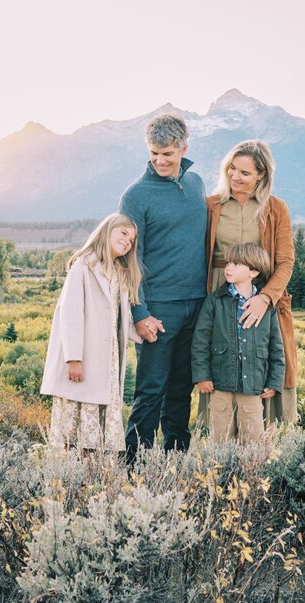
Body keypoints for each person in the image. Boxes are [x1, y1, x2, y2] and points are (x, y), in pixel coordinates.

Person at [121, 113, 207, 458]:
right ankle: (135, 464)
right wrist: (139, 312)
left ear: (183, 148)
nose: (160, 160)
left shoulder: (197, 183)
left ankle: (175, 462)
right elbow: (128, 260)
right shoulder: (136, 196)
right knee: (150, 390)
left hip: (197, 304)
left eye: (168, 154)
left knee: (181, 389)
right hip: (158, 307)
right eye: (154, 153)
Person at [200, 139, 299, 426]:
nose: (235, 176)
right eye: (231, 168)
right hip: (219, 289)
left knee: (261, 355)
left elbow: (285, 262)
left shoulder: (276, 208)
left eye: (244, 173)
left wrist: (265, 299)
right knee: (221, 354)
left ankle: (259, 447)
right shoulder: (211, 206)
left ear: (261, 176)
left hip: (261, 293)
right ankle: (223, 444)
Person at [40, 213, 142, 453]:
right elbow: (70, 313)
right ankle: (69, 479)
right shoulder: (84, 265)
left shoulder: (119, 271)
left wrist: (142, 333)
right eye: (123, 234)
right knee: (74, 429)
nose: (127, 242)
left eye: (132, 240)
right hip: (84, 359)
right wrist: (73, 358)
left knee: (96, 434)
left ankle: (93, 479)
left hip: (106, 363)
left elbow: (116, 320)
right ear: (106, 231)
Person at [191, 243, 285, 444]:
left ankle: (250, 476)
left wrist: (274, 381)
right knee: (220, 442)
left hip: (253, 387)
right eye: (228, 263)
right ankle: (220, 476)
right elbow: (200, 341)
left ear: (254, 271)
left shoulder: (267, 307)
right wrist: (202, 376)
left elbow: (276, 347)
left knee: (252, 443)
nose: (228, 267)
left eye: (236, 264)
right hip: (220, 386)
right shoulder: (215, 300)